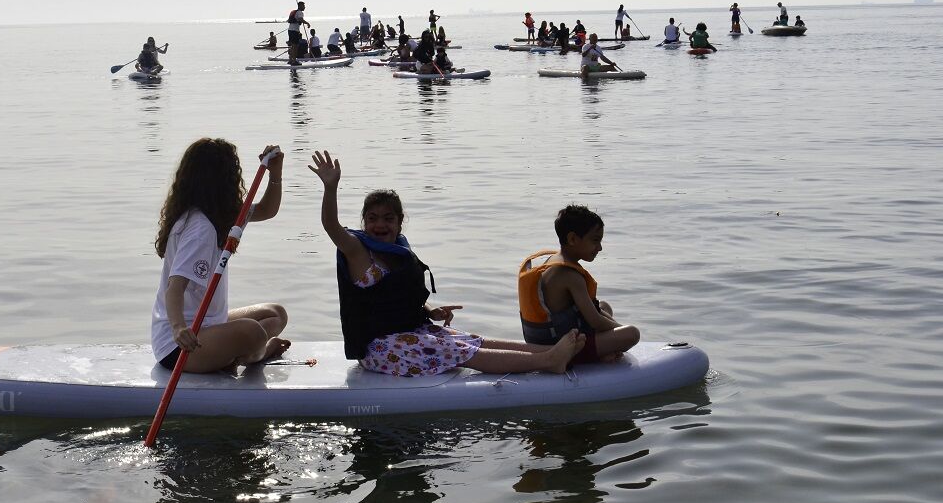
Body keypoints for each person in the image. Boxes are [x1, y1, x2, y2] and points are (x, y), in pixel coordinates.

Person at [307, 150, 583, 377]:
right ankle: (548, 361)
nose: (380, 224)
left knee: (470, 340)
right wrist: (330, 187)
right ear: (364, 222)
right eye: (372, 218)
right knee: (463, 352)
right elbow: (331, 226)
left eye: (388, 218)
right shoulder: (359, 252)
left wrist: (429, 309)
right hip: (380, 348)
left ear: (400, 221)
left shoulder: (398, 249)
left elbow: (395, 298)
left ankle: (553, 349)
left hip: (410, 332)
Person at [151, 138, 290, 374]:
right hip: (181, 346)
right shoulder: (200, 228)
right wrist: (178, 329)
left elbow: (267, 210)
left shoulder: (223, 214)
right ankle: (260, 352)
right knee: (253, 332)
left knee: (275, 313)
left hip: (209, 323)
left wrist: (274, 175)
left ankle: (233, 352)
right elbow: (174, 288)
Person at [518, 205, 639, 364]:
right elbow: (595, 321)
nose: (600, 247)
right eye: (595, 240)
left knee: (604, 306)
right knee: (632, 334)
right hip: (562, 347)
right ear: (573, 239)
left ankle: (604, 350)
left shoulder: (554, 261)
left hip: (543, 339)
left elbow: (592, 313)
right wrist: (619, 330)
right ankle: (600, 354)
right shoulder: (570, 275)